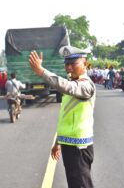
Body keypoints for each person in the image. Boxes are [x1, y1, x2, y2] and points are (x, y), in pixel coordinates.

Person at [29, 46, 96, 188]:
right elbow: (67, 118)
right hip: (70, 145)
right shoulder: (74, 83)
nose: (69, 67)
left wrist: (42, 71)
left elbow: (66, 86)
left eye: (74, 63)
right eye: (67, 64)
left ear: (85, 64)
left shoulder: (86, 85)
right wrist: (58, 142)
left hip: (79, 147)